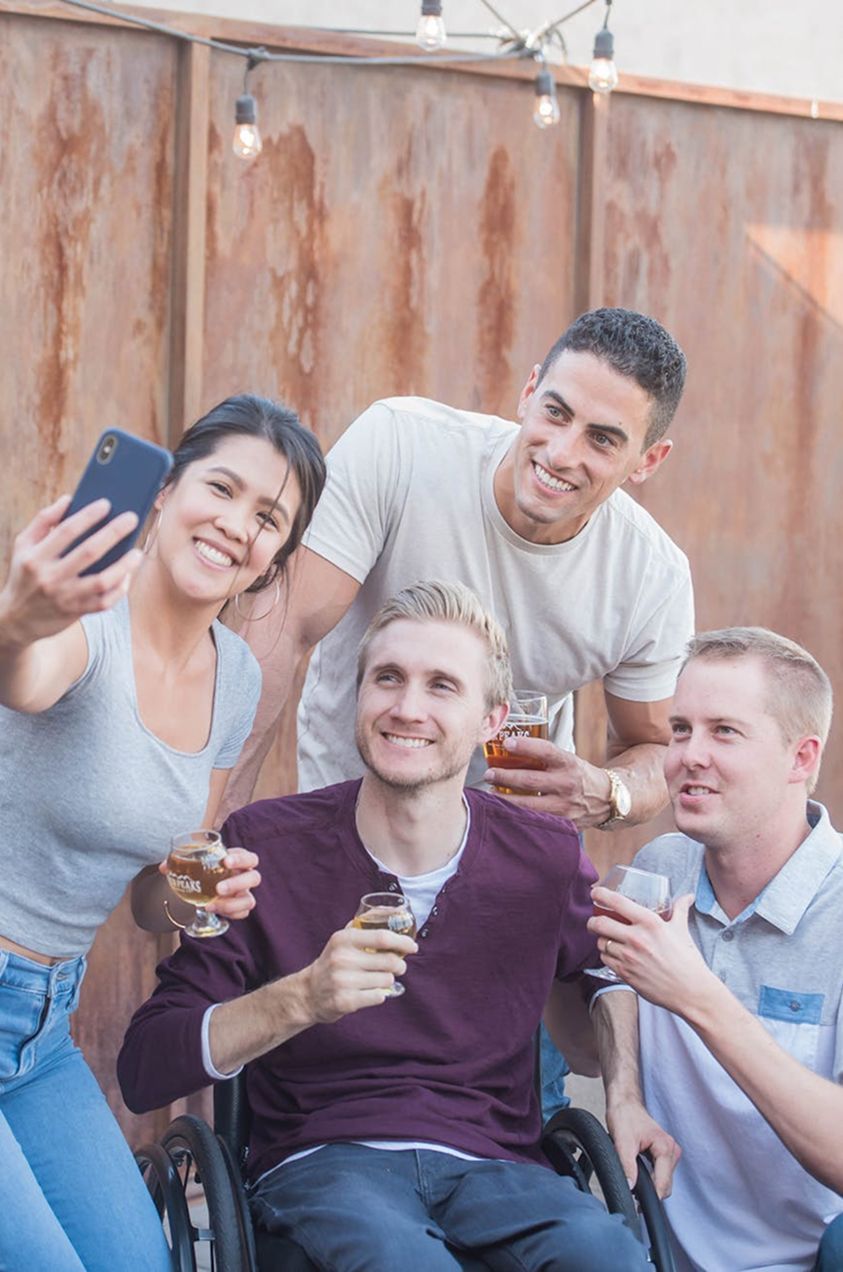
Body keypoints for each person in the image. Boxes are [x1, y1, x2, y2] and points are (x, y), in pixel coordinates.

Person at [118, 580, 649, 1272]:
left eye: (441, 687)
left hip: (497, 1168)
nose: (407, 708)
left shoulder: (543, 857)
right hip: (324, 1166)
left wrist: (626, 1098)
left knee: (606, 1253)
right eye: (387, 679)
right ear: (358, 695)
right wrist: (300, 999)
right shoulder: (262, 845)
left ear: (492, 720)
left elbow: (607, 967)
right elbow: (145, 1065)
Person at [0, 394, 325, 1272]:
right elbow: (23, 678)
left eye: (269, 519)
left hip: (40, 1026)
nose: (235, 525)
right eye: (221, 488)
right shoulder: (84, 615)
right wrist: (20, 614)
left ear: (272, 562)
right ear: (165, 489)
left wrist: (196, 887)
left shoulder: (235, 682)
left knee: (139, 1261)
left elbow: (153, 899)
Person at [221, 306, 693, 838]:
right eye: (556, 413)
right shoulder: (400, 445)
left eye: (602, 440)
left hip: (513, 846)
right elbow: (281, 628)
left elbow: (653, 746)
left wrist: (610, 792)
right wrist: (221, 811)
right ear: (529, 391)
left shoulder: (653, 576)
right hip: (347, 822)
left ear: (648, 460)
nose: (561, 453)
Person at [590, 627, 843, 1271]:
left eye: (724, 731)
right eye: (680, 729)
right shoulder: (662, 866)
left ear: (801, 759)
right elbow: (611, 979)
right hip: (657, 1256)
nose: (688, 756)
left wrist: (697, 995)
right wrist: (624, 1092)